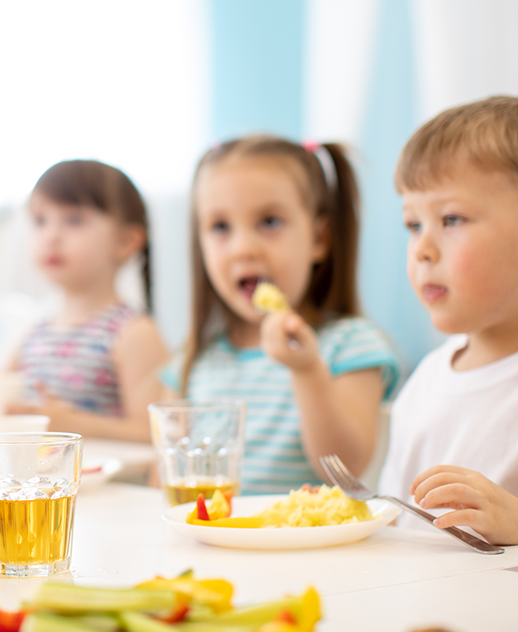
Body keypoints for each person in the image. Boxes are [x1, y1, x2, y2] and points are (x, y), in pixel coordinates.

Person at [161, 136, 401, 495]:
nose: (243, 248)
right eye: (220, 227)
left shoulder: (352, 344)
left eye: (270, 222)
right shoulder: (191, 361)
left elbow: (347, 470)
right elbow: (162, 484)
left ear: (319, 239)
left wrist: (306, 371)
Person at [378, 96, 518, 546]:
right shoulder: (424, 384)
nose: (422, 249)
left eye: (451, 219)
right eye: (413, 225)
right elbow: (394, 526)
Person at [5, 159, 170, 441]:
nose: (51, 236)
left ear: (126, 241)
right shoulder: (35, 332)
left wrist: (71, 423)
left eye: (74, 220)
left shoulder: (133, 333)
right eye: (40, 221)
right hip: (39, 483)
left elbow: (158, 433)